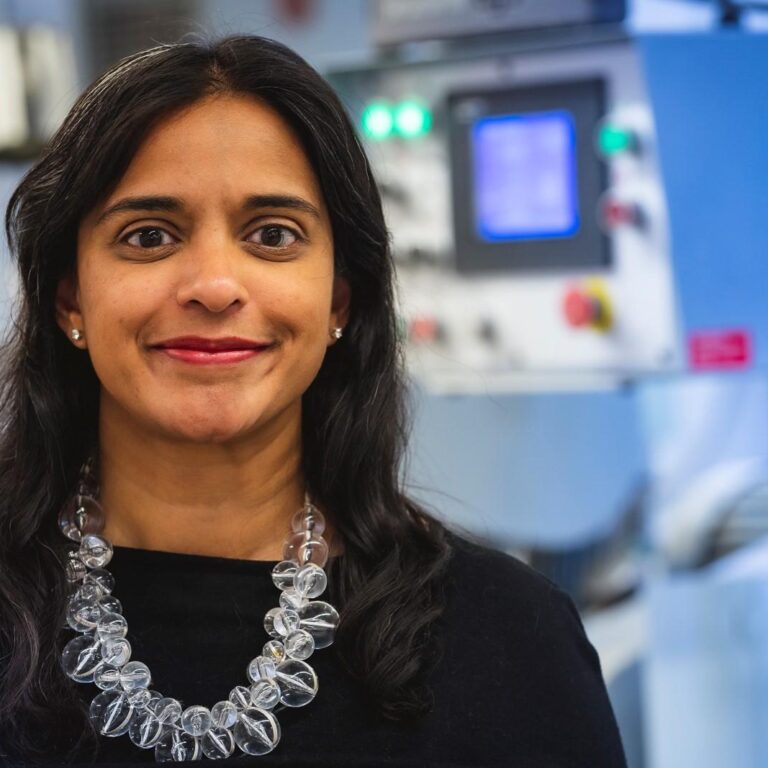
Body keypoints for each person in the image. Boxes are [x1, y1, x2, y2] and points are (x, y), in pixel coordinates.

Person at [0, 35, 628, 767]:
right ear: (69, 297)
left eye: (272, 235)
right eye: (148, 236)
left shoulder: (510, 636)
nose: (213, 285)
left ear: (339, 299)